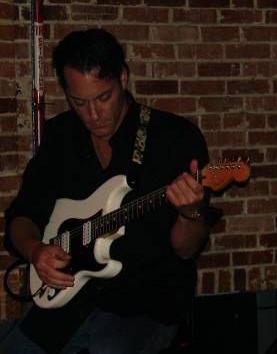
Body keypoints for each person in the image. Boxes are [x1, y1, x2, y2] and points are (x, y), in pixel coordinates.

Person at [1, 28, 218, 353]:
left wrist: (190, 212)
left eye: (103, 98)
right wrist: (36, 252)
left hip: (146, 301)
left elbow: (187, 250)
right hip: (69, 298)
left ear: (123, 79)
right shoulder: (60, 135)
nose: (93, 114)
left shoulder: (174, 137)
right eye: (80, 102)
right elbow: (22, 216)